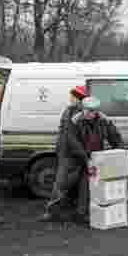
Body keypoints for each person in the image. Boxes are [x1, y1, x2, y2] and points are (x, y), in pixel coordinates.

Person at [65, 96, 124, 225]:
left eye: (94, 111)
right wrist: (86, 160)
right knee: (82, 184)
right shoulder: (74, 122)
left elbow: (114, 136)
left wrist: (119, 153)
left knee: (94, 183)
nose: (91, 113)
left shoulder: (104, 121)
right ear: (83, 109)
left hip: (97, 157)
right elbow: (73, 143)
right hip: (78, 158)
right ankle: (80, 213)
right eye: (88, 110)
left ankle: (89, 212)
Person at [40, 85, 88, 221]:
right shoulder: (72, 110)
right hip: (71, 153)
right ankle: (76, 211)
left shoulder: (76, 112)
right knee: (71, 184)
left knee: (62, 184)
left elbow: (71, 136)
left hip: (71, 154)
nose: (70, 98)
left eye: (73, 96)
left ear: (79, 99)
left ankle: (54, 212)